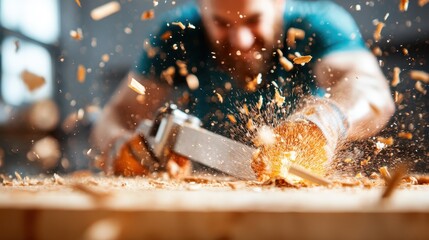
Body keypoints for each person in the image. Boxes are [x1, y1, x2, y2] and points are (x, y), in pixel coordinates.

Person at [90, 0, 395, 178]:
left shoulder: (319, 23)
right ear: (202, 7)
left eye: (253, 20)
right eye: (221, 23)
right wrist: (120, 147)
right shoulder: (179, 32)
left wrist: (325, 121)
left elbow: (371, 91)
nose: (240, 42)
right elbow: (117, 114)